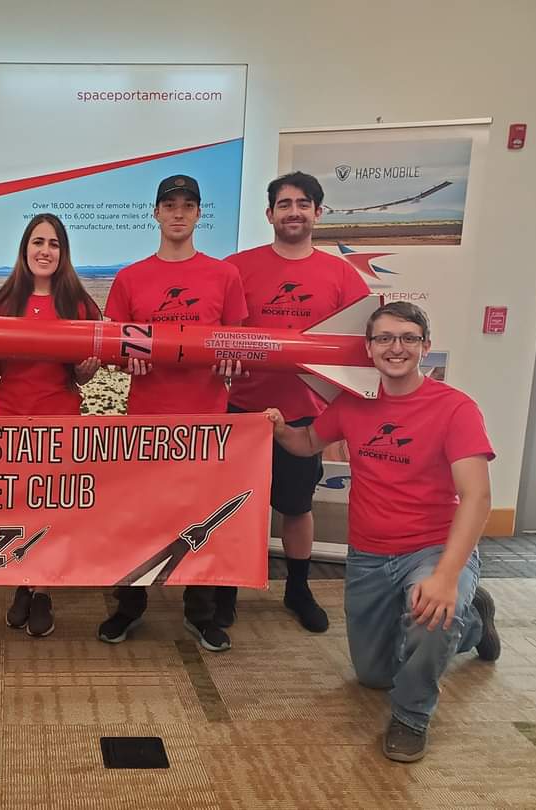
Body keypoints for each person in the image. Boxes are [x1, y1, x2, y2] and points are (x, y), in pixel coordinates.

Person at [266, 301, 500, 763]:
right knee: (374, 674)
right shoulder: (353, 403)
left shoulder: (455, 408)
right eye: (385, 339)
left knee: (434, 614)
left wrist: (447, 575)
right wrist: (277, 428)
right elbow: (308, 441)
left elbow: (477, 498)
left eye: (408, 338)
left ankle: (412, 717)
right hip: (370, 555)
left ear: (425, 348)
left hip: (433, 547)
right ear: (369, 348)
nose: (396, 348)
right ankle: (475, 621)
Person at [97, 174, 247, 651]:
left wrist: (230, 355)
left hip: (205, 420)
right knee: (139, 516)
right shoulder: (130, 278)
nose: (178, 213)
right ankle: (129, 603)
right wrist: (126, 356)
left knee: (203, 517)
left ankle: (199, 612)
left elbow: (238, 342)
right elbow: (110, 347)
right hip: (145, 419)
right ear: (156, 212)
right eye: (170, 205)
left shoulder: (224, 276)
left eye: (188, 205)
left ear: (199, 213)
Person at [225, 172, 371, 633]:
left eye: (303, 203)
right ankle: (225, 589)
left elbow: (358, 344)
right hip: (239, 410)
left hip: (305, 414)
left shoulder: (342, 276)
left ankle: (298, 588)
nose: (293, 211)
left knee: (296, 506)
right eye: (284, 204)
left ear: (317, 213)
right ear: (269, 214)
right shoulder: (237, 268)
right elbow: (220, 332)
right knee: (234, 507)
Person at [0, 212, 102, 636]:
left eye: (53, 244)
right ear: (25, 250)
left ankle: (42, 591)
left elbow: (79, 375)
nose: (45, 251)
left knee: (49, 508)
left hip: (59, 422)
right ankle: (22, 581)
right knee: (14, 506)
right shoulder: (4, 302)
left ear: (63, 252)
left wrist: (88, 369)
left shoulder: (78, 303)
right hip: (9, 421)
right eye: (38, 242)